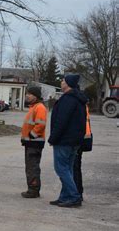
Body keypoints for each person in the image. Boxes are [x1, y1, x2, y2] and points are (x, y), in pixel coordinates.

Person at [48, 74, 87, 208]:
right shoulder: (77, 99)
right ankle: (65, 197)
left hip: (64, 140)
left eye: (63, 80)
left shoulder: (68, 99)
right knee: (68, 169)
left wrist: (53, 138)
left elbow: (61, 121)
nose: (61, 81)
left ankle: (74, 196)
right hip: (74, 141)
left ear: (68, 83)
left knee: (61, 169)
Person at [20, 86, 47, 198]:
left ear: (35, 96)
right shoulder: (34, 107)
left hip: (34, 143)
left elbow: (40, 125)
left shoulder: (39, 107)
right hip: (31, 142)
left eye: (30, 94)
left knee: (32, 167)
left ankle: (33, 190)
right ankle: (32, 188)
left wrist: (31, 135)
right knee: (30, 166)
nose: (27, 95)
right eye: (27, 93)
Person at [74, 104, 92, 202]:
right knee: (76, 168)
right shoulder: (83, 104)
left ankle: (76, 193)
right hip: (82, 140)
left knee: (74, 169)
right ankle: (78, 192)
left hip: (77, 140)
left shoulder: (78, 105)